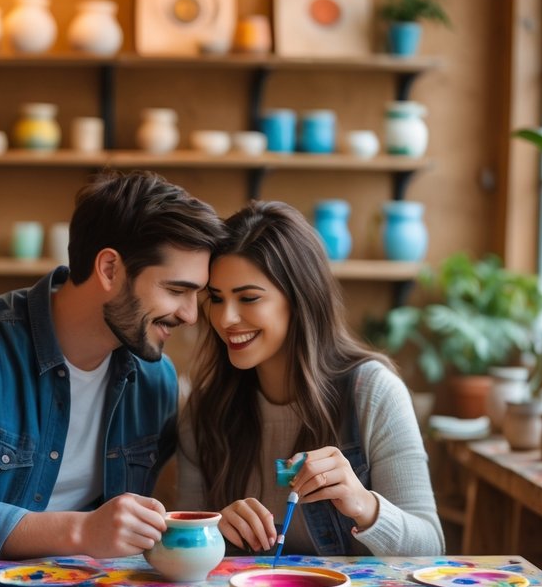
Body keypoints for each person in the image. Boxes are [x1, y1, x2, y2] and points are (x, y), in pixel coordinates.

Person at [0, 170, 227, 562]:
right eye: (175, 290)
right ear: (109, 269)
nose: (190, 314)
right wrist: (81, 531)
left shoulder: (155, 379)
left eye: (197, 295)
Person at [178, 200, 443, 556]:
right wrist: (215, 530)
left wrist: (364, 505)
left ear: (300, 299)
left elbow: (431, 548)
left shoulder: (373, 392)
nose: (225, 319)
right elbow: (185, 550)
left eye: (249, 298)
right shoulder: (204, 409)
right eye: (216, 298)